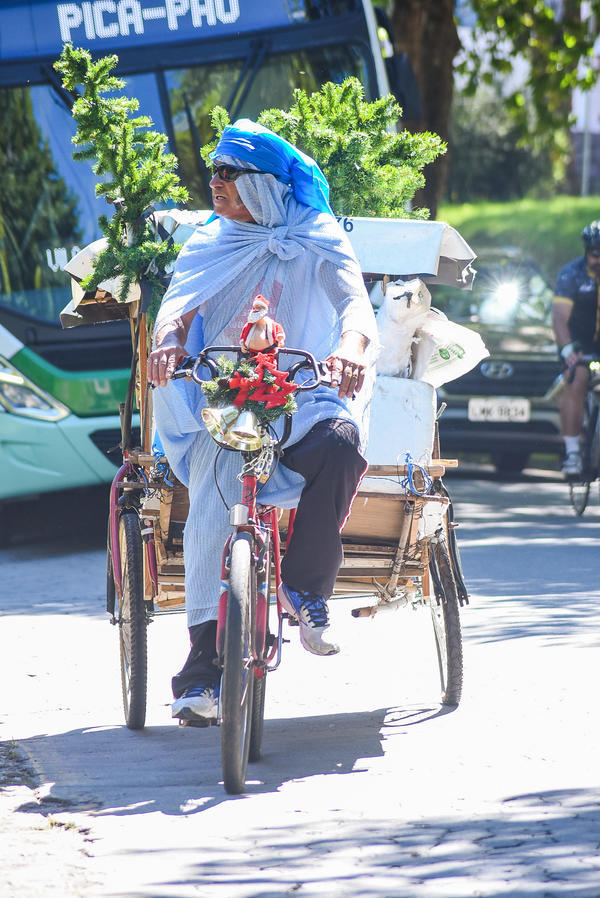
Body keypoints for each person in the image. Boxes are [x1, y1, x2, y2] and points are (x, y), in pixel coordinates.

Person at [147, 119, 378, 725]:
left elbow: (355, 304)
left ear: (270, 188)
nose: (215, 182)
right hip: (222, 393)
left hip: (302, 387)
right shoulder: (208, 238)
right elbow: (177, 309)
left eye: (230, 173)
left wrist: (351, 346)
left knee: (341, 444)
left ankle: (305, 593)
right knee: (211, 510)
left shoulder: (318, 235)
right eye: (214, 170)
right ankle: (200, 673)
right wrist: (169, 343)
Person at [552, 220, 600, 477]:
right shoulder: (572, 274)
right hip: (579, 344)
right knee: (578, 377)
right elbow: (560, 318)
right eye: (595, 254)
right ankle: (572, 453)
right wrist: (567, 349)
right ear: (587, 251)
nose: (599, 260)